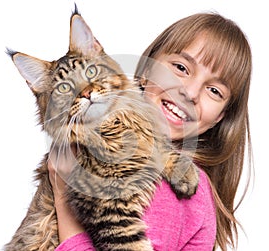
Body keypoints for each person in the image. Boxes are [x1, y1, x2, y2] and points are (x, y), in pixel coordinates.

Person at [48, 12, 252, 251]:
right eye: (180, 68)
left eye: (214, 91)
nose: (190, 93)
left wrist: (64, 200)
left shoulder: (170, 187)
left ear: (220, 117)